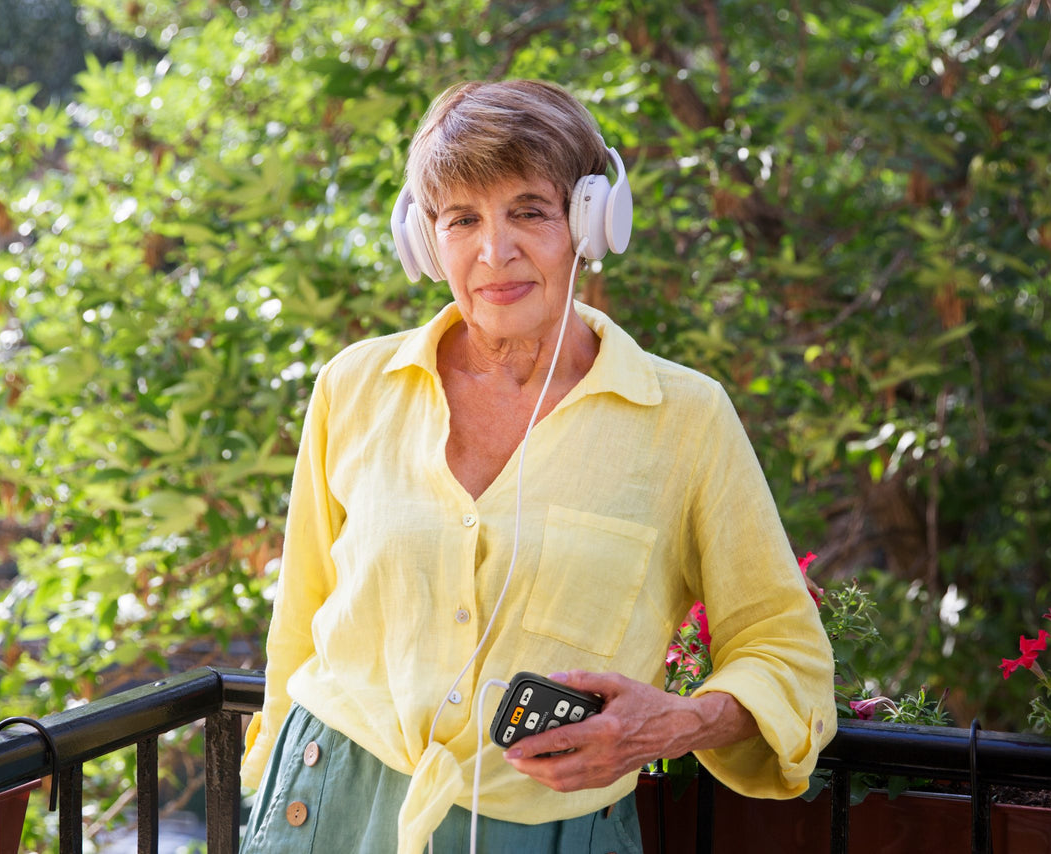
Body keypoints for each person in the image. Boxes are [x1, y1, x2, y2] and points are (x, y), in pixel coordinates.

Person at [238, 79, 836, 854]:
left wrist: (675, 723)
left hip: (549, 834)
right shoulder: (354, 387)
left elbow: (786, 653)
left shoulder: (685, 419)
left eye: (528, 211)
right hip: (324, 810)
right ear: (424, 240)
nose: (495, 252)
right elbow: (297, 633)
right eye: (462, 220)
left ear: (590, 222)